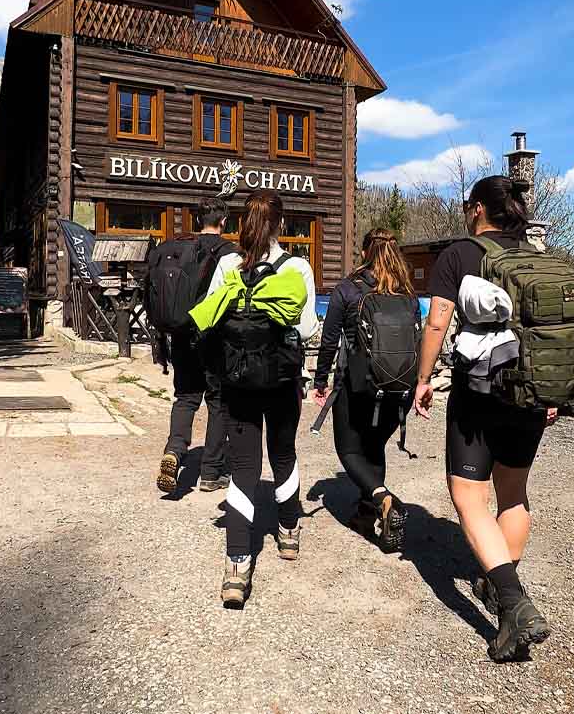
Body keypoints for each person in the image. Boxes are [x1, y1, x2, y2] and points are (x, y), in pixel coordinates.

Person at [414, 175, 552, 663]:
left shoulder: (459, 254)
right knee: (513, 492)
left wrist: (423, 378)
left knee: (469, 496)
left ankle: (512, 603)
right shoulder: (540, 256)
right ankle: (501, 585)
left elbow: (437, 322)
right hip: (534, 393)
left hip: (479, 393)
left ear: (476, 209)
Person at [198, 189, 318, 608]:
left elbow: (211, 318)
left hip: (237, 380)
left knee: (244, 466)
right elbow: (306, 328)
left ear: (242, 225)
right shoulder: (297, 266)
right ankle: (287, 531)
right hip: (282, 379)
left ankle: (237, 565)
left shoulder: (228, 264)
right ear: (281, 225)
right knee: (282, 453)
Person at [313, 229, 419, 552]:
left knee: (349, 451)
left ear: (363, 254)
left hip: (356, 385)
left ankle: (384, 499)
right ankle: (365, 515)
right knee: (374, 448)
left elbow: (329, 340)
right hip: (400, 387)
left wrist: (320, 381)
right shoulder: (407, 293)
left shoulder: (347, 289)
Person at [156, 198, 235, 495]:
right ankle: (211, 473)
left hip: (180, 335)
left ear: (197, 220)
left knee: (186, 397)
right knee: (217, 402)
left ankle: (174, 451)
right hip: (214, 337)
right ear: (224, 221)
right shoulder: (229, 253)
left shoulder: (179, 248)